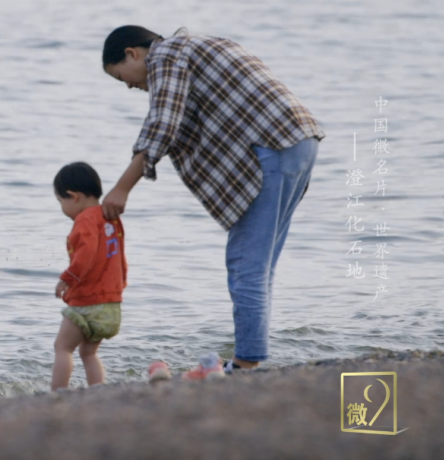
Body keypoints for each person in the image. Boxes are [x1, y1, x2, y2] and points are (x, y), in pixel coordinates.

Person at [99, 25, 326, 377]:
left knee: (245, 263)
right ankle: (249, 359)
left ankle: (247, 363)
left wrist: (121, 188)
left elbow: (162, 124)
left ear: (133, 53)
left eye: (121, 77)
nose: (129, 86)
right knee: (259, 264)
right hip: (297, 139)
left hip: (274, 145)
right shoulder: (197, 45)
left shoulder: (167, 55)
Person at [51, 162, 126, 390]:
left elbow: (86, 254)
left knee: (63, 347)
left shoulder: (85, 219)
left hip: (88, 302)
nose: (61, 207)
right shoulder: (110, 218)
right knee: (88, 352)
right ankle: (98, 390)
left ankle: (57, 393)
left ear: (73, 197)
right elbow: (120, 258)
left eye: (60, 201)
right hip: (111, 303)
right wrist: (119, 287)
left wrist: (68, 277)